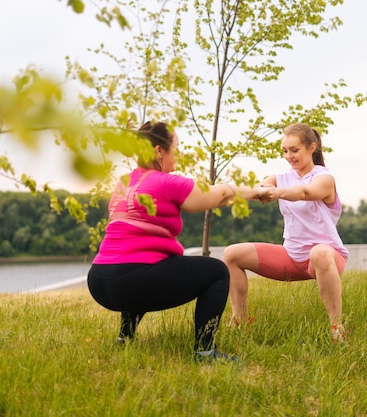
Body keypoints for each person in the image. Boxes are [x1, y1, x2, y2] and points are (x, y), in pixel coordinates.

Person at [87, 121, 264, 362]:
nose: (179, 153)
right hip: (130, 281)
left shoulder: (124, 182)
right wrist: (257, 191)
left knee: (144, 266)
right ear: (159, 151)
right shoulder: (166, 182)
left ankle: (125, 337)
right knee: (217, 271)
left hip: (99, 282)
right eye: (176, 147)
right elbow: (221, 194)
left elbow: (216, 199)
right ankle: (205, 351)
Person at [222, 123, 349, 342]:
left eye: (294, 150)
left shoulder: (325, 179)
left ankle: (336, 326)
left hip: (325, 258)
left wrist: (277, 192)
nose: (289, 156)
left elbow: (305, 192)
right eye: (285, 151)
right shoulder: (279, 177)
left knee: (319, 252)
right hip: (291, 257)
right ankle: (239, 320)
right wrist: (226, 192)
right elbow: (258, 189)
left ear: (312, 147)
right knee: (231, 254)